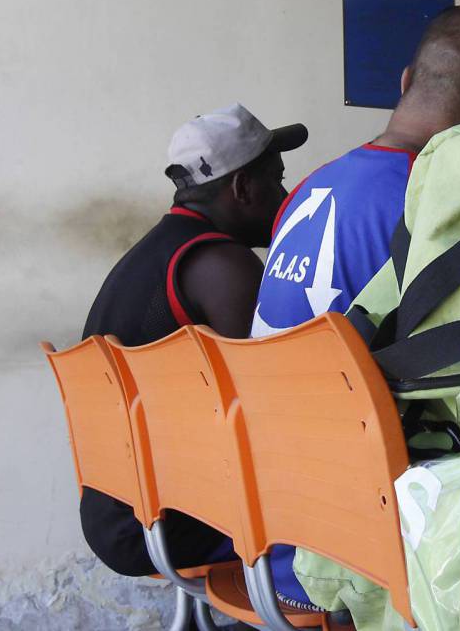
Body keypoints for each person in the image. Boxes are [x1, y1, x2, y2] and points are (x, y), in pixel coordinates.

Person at [251, 5, 460, 609]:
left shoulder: (308, 187)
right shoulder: (434, 204)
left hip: (266, 532)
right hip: (340, 563)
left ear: (404, 81)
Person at [80, 103, 305, 576]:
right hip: (173, 524)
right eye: (276, 179)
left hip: (117, 516)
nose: (284, 194)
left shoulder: (149, 256)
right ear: (243, 187)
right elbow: (277, 406)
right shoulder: (221, 265)